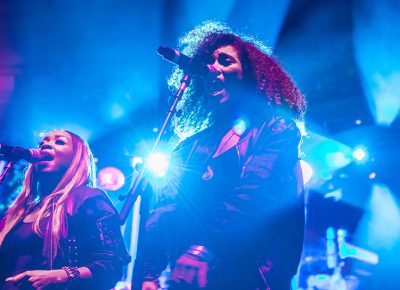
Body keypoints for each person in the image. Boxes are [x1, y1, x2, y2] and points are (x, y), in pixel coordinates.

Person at [141, 21, 307, 290]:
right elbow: (165, 209)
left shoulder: (275, 129)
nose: (212, 68)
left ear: (251, 75)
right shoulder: (191, 146)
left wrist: (204, 249)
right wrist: (149, 273)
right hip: (191, 278)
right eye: (208, 61)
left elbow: (252, 195)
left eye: (225, 61)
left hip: (250, 276)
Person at [0, 130, 131, 290]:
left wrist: (60, 275)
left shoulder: (88, 199)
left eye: (59, 142)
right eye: (42, 144)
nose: (46, 145)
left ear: (76, 158)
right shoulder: (20, 212)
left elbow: (111, 265)